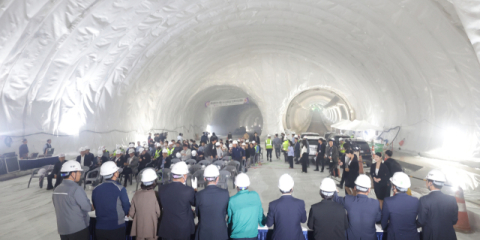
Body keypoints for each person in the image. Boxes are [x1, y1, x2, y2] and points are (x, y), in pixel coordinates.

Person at [52, 160, 93, 240]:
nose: (80, 174)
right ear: (73, 174)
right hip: (78, 230)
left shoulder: (56, 189)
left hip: (63, 230)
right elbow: (87, 207)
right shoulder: (76, 189)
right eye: (79, 172)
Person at [333, 174, 381, 240]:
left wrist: (335, 191)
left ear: (355, 188)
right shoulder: (375, 203)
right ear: (369, 190)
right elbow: (378, 219)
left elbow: (336, 199)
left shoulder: (348, 200)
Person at [158, 162, 196, 240]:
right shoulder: (188, 190)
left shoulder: (162, 189)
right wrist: (195, 190)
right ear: (184, 176)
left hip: (167, 227)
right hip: (183, 228)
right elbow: (195, 203)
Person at [92, 162, 130, 240]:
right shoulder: (120, 188)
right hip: (116, 227)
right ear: (115, 174)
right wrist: (126, 213)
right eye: (117, 171)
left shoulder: (96, 189)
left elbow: (95, 205)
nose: (118, 172)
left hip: (100, 227)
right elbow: (126, 206)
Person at [417, 170, 458, 240]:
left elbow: (421, 221)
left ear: (430, 183)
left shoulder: (424, 200)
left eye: (426, 181)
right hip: (449, 235)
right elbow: (454, 220)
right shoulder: (452, 199)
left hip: (431, 236)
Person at [266, 174, 306, 240]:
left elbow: (269, 224)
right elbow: (303, 220)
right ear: (292, 188)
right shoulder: (300, 203)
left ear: (280, 188)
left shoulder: (273, 204)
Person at [195, 165, 230, 240]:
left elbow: (197, 213)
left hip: (204, 233)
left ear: (205, 179)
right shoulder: (225, 193)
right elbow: (227, 211)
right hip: (220, 233)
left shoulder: (199, 195)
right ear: (217, 178)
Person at [381, 172, 419, 240]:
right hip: (412, 236)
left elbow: (384, 224)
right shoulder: (415, 201)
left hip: (394, 236)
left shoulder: (388, 201)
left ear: (394, 187)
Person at [228, 173, 265, 240]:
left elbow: (230, 220)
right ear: (248, 185)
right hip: (252, 236)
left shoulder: (232, 200)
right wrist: (262, 224)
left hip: (236, 237)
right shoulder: (255, 195)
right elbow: (260, 217)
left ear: (236, 186)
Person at [129, 168, 161, 240]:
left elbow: (131, 213)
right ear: (154, 182)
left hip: (139, 229)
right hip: (152, 230)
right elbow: (159, 213)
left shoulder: (136, 194)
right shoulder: (156, 195)